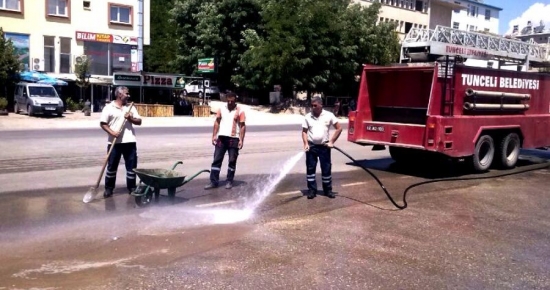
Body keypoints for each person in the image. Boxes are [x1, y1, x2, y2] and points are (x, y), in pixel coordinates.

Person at [99, 86, 142, 198]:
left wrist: (131, 119)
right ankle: (109, 188)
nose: (128, 95)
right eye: (126, 93)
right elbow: (103, 124)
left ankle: (131, 187)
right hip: (114, 142)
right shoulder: (108, 108)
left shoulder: (130, 107)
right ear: (119, 95)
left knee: (131, 167)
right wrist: (112, 132)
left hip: (130, 141)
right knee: (112, 167)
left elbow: (139, 121)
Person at [302, 96, 342, 199]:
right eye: (311, 105)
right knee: (310, 169)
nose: (313, 107)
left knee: (326, 169)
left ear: (321, 105)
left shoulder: (329, 115)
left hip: (324, 147)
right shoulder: (307, 117)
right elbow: (304, 132)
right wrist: (305, 144)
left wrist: (332, 141)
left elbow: (339, 128)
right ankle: (311, 190)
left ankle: (328, 190)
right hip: (311, 147)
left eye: (315, 105)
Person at [204, 92, 246, 189]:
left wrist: (241, 140)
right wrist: (214, 135)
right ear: (226, 100)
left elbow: (243, 126)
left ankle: (229, 181)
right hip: (221, 138)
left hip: (234, 138)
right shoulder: (222, 108)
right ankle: (213, 182)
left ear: (235, 99)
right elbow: (217, 122)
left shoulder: (240, 110)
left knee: (232, 160)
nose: (230, 102)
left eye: (232, 101)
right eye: (228, 101)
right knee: (216, 160)